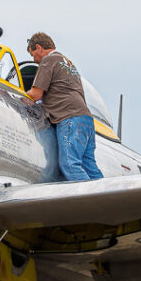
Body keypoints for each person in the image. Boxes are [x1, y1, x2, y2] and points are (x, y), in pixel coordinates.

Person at [25, 32, 102, 181]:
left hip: (69, 119)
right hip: (85, 120)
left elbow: (35, 95)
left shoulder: (48, 61)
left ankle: (89, 202)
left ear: (39, 47)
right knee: (90, 168)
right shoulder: (68, 63)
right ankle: (107, 199)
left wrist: (17, 96)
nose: (34, 59)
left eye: (33, 54)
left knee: (69, 164)